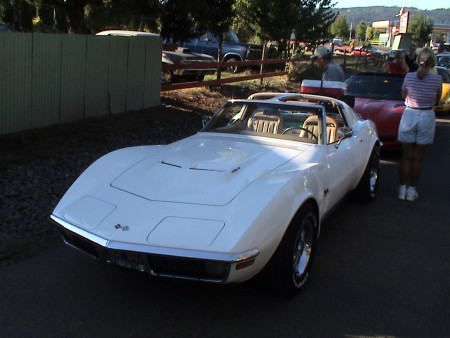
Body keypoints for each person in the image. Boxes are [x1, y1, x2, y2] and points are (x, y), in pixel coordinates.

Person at [397, 47, 442, 201]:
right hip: (426, 115)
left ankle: (401, 190)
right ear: (432, 63)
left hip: (409, 113)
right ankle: (411, 192)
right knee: (418, 158)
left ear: (417, 60)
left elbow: (404, 94)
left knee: (406, 156)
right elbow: (437, 99)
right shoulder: (437, 79)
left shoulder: (409, 77)